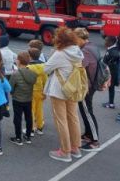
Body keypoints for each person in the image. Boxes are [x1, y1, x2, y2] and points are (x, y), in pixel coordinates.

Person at [43, 27, 84, 163]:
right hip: (72, 89)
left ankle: (65, 151)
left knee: (61, 120)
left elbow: (46, 68)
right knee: (73, 118)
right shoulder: (77, 52)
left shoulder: (60, 54)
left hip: (59, 90)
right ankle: (75, 148)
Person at [74, 28, 100, 152]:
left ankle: (95, 140)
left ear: (80, 38)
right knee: (85, 111)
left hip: (86, 86)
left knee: (87, 112)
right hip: (92, 83)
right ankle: (88, 134)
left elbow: (79, 66)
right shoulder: (92, 46)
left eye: (75, 40)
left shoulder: (85, 51)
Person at [9, 52, 37, 145]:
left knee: (17, 118)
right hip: (28, 98)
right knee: (29, 117)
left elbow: (11, 88)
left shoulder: (15, 74)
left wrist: (13, 93)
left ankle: (18, 137)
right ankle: (28, 136)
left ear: (19, 61)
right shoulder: (33, 74)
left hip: (17, 99)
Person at [27, 48, 48, 135]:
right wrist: (45, 91)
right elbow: (45, 80)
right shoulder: (44, 66)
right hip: (40, 91)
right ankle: (40, 127)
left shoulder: (28, 67)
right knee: (39, 109)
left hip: (31, 91)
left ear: (30, 56)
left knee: (31, 110)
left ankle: (31, 128)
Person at [102, 36, 120, 109]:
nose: (104, 42)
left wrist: (110, 63)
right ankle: (111, 102)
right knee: (111, 88)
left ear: (111, 42)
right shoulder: (110, 49)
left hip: (112, 74)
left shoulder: (113, 51)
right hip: (111, 73)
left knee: (111, 88)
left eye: (106, 41)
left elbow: (116, 56)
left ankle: (111, 104)